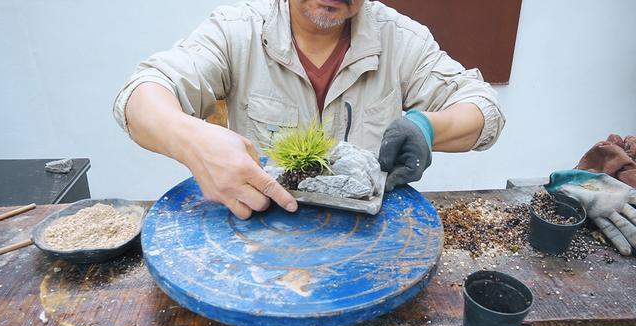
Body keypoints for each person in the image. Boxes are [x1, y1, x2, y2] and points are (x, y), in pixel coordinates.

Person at [113, 0, 505, 219]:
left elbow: (482, 109)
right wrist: (191, 141)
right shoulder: (238, 29)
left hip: (367, 241)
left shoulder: (402, 39)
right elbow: (140, 95)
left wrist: (427, 126)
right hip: (260, 230)